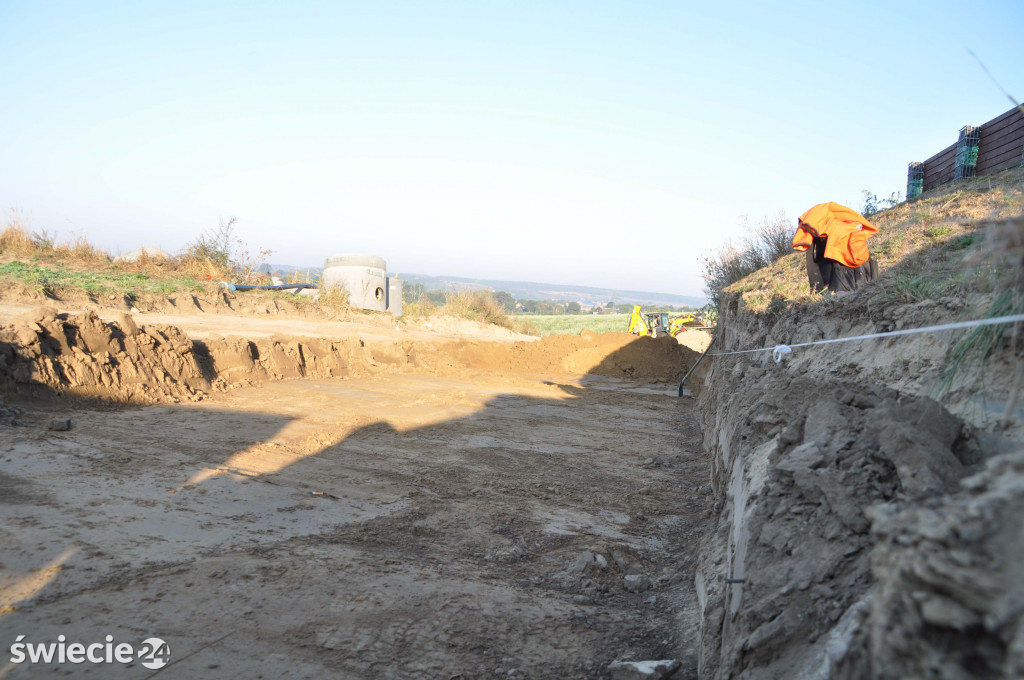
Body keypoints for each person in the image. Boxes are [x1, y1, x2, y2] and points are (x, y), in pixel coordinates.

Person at [792, 202, 879, 294]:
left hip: (839, 281)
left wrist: (817, 290)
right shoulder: (852, 227)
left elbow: (812, 265)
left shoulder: (817, 227)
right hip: (866, 279)